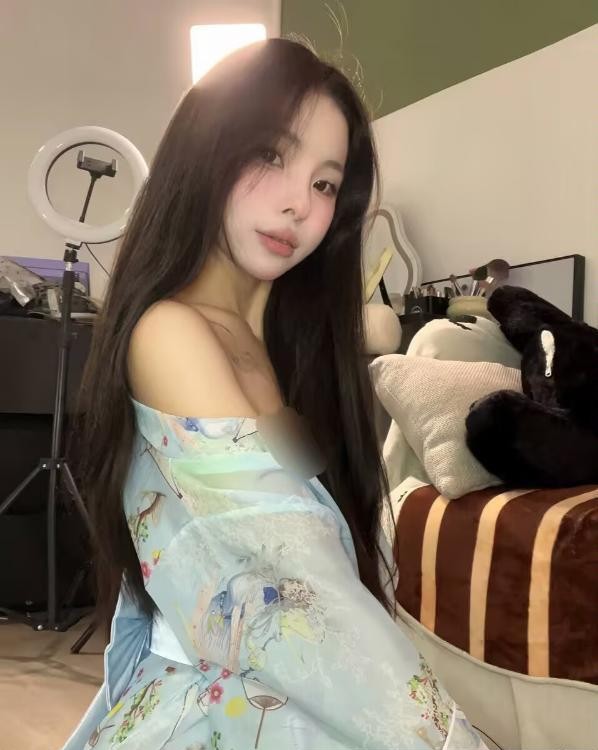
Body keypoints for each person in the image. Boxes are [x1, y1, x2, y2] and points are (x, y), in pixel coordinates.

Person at [63, 38, 487, 750]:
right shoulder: (171, 334)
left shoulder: (288, 353)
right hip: (227, 714)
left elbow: (327, 555)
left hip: (296, 699)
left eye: (325, 184)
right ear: (207, 150)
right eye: (270, 155)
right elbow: (294, 588)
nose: (297, 204)